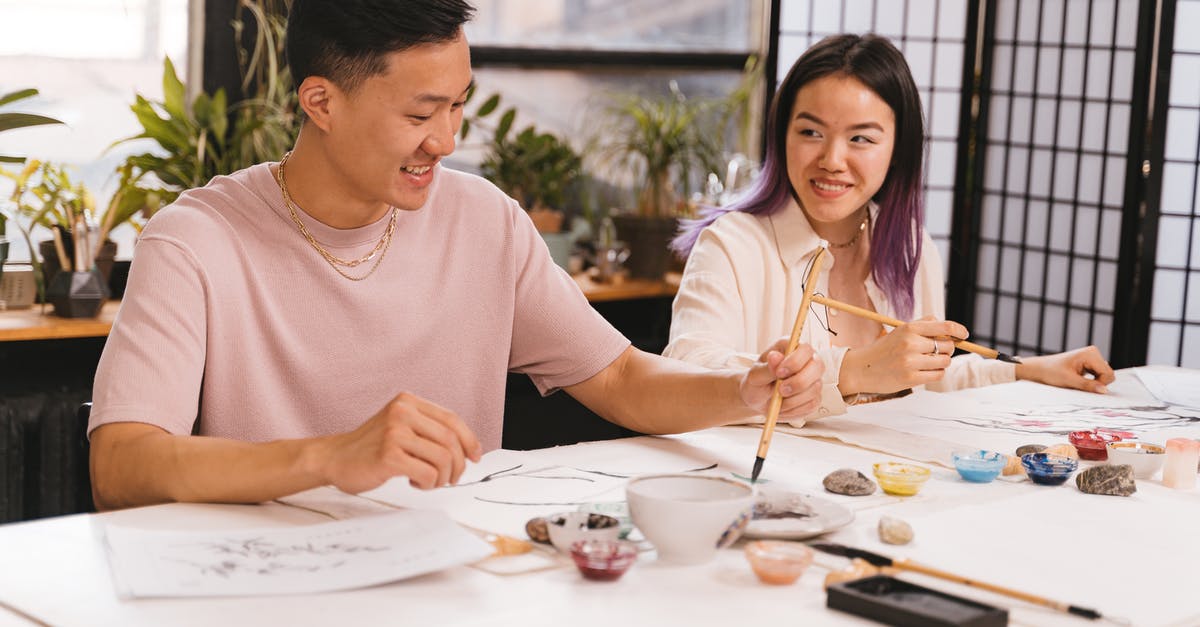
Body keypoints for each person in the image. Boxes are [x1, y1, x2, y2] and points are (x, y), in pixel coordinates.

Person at [86, 0, 826, 511]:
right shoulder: (195, 239)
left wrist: (742, 391)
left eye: (458, 104)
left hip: (452, 574)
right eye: (419, 113)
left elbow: (624, 377)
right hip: (266, 587)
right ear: (320, 103)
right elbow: (120, 466)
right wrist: (329, 458)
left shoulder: (486, 222)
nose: (446, 140)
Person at [665, 34, 1114, 424]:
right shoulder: (731, 245)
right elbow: (686, 374)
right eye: (810, 132)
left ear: (898, 149)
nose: (832, 160)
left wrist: (1026, 370)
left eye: (861, 138)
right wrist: (853, 369)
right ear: (782, 136)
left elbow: (920, 380)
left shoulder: (911, 247)